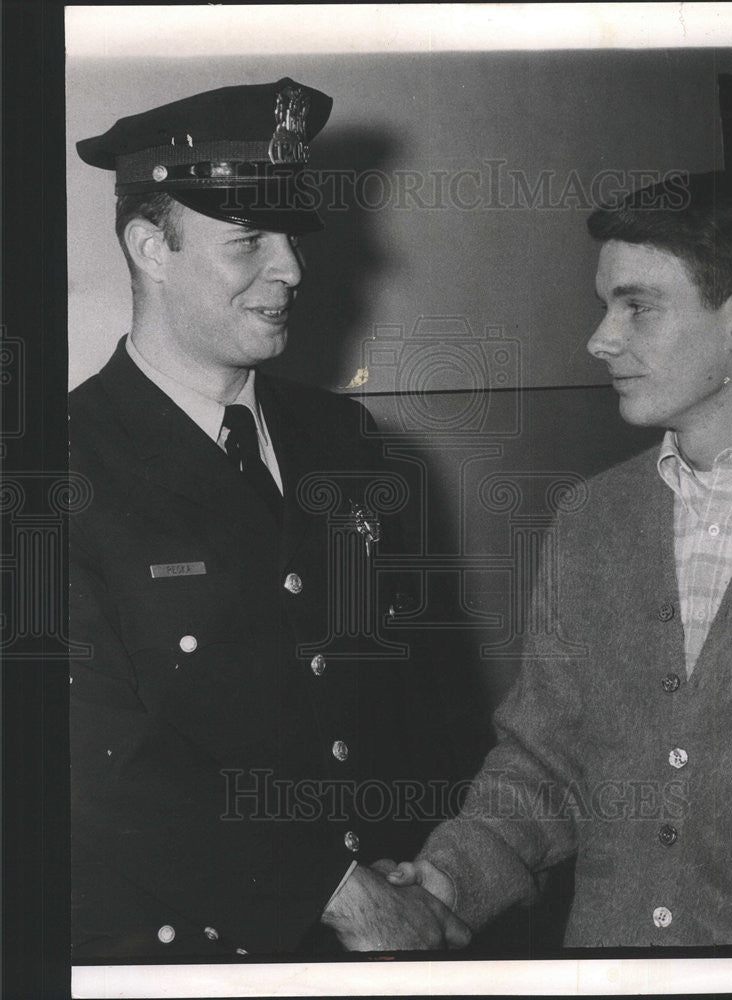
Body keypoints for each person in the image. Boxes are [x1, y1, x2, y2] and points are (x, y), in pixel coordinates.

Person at [385, 172, 732, 947]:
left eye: (638, 306)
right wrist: (444, 883)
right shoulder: (592, 518)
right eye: (604, 304)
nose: (599, 339)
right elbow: (546, 761)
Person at [69, 77, 473, 959]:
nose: (289, 269)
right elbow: (87, 763)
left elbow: (418, 694)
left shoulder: (347, 440)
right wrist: (330, 891)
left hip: (390, 932)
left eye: (289, 238)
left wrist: (441, 869)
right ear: (150, 246)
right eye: (248, 240)